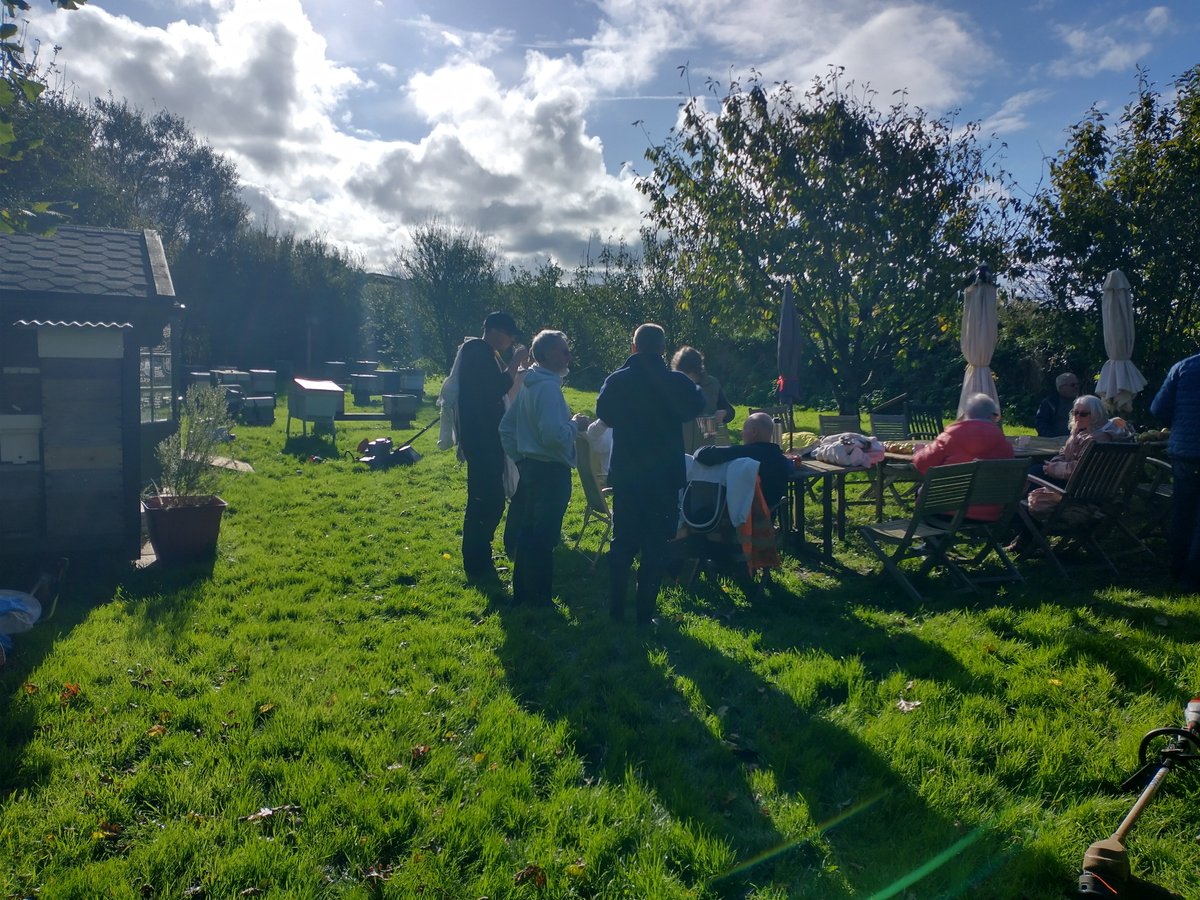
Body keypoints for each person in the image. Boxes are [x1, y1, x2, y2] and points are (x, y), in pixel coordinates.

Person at [597, 323, 705, 624]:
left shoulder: (618, 381)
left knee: (623, 543)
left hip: (629, 475)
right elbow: (698, 404)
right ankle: (644, 614)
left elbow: (605, 413)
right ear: (663, 350)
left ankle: (616, 611)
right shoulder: (677, 382)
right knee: (656, 546)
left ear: (634, 347)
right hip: (664, 477)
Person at [499, 330, 590, 606]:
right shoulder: (547, 387)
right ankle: (540, 599)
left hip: (532, 468)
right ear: (549, 354)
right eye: (564, 351)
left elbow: (506, 428)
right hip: (550, 471)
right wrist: (576, 424)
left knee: (528, 533)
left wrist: (522, 459)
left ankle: (523, 594)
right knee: (545, 536)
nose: (569, 355)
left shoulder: (530, 383)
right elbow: (552, 435)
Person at [458, 311, 528, 581]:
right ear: (497, 331)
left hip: (485, 438)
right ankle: (476, 562)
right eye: (511, 335)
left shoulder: (483, 353)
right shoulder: (478, 351)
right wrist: (516, 361)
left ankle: (480, 557)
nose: (511, 341)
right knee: (485, 500)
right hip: (482, 439)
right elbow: (499, 386)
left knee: (490, 499)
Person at [912, 393, 1015, 521]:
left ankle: (934, 540)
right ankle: (935, 541)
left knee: (920, 491)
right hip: (989, 513)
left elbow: (922, 465)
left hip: (945, 510)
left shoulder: (949, 438)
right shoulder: (1004, 444)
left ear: (966, 413)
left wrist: (919, 452)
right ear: (992, 417)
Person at [1150, 350, 1200, 591]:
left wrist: (1178, 424)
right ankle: (1193, 576)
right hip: (1187, 447)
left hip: (1185, 451)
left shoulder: (1183, 367)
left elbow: (1158, 408)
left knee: (1183, 510)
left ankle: (1177, 567)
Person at [693, 412, 792, 511]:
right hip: (770, 510)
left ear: (754, 432)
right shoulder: (781, 458)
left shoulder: (744, 452)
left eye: (744, 429)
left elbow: (703, 454)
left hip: (742, 510)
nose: (741, 433)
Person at [672, 346, 735, 454]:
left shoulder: (712, 385)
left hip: (707, 452)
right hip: (680, 452)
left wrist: (724, 413)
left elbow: (730, 411)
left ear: (697, 370)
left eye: (689, 373)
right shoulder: (672, 386)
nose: (686, 378)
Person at [1042, 394, 1117, 483]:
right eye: (1075, 413)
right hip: (1081, 483)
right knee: (1037, 469)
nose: (1078, 417)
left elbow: (1080, 469)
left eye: (1083, 414)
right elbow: (1064, 452)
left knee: (1034, 471)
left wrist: (1053, 468)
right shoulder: (1085, 431)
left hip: (1081, 486)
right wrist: (1054, 464)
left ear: (1096, 415)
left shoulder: (1097, 438)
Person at [1035, 372, 1080, 437]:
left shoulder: (1083, 403)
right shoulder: (1049, 403)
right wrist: (1052, 437)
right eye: (1072, 385)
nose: (1076, 387)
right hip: (1052, 441)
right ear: (1061, 387)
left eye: (1077, 384)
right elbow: (1041, 424)